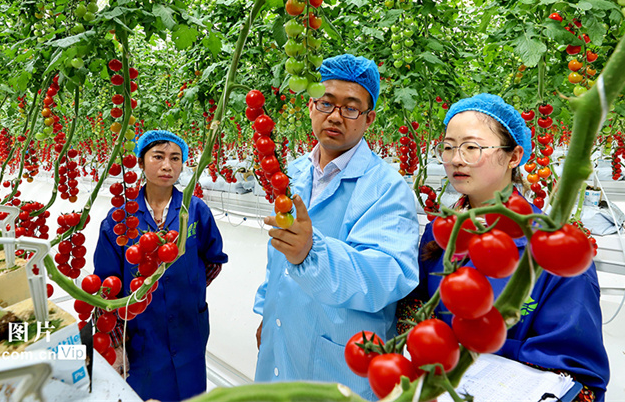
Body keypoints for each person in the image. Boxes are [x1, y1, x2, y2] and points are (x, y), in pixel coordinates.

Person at [405, 93, 610, 401]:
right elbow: (415, 306)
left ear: (513, 156)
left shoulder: (556, 251)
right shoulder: (439, 231)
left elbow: (577, 376)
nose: (456, 159)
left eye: (471, 147)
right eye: (448, 147)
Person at [253, 54, 420, 400]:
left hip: (342, 360)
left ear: (369, 118)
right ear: (311, 106)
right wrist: (267, 311)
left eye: (351, 107)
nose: (335, 116)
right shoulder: (294, 174)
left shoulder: (387, 188)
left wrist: (311, 253)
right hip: (281, 340)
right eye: (326, 102)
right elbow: (278, 256)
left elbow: (388, 274)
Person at [93, 129, 228, 402]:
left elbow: (213, 260)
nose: (167, 165)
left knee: (192, 394)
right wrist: (115, 343)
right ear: (140, 163)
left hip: (189, 329)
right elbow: (105, 288)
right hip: (142, 336)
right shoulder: (119, 221)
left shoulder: (196, 211)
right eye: (158, 156)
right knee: (146, 392)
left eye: (175, 158)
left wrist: (189, 287)